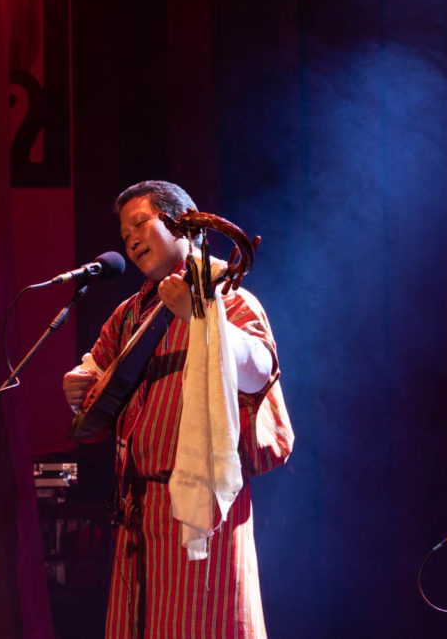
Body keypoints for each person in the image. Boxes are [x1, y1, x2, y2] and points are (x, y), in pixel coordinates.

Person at [62, 181, 293, 639]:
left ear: (182, 222)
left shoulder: (228, 296)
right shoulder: (129, 314)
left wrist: (201, 316)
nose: (128, 238)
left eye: (139, 222)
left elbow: (259, 368)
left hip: (199, 511)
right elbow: (94, 368)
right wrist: (77, 381)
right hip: (137, 512)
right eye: (123, 229)